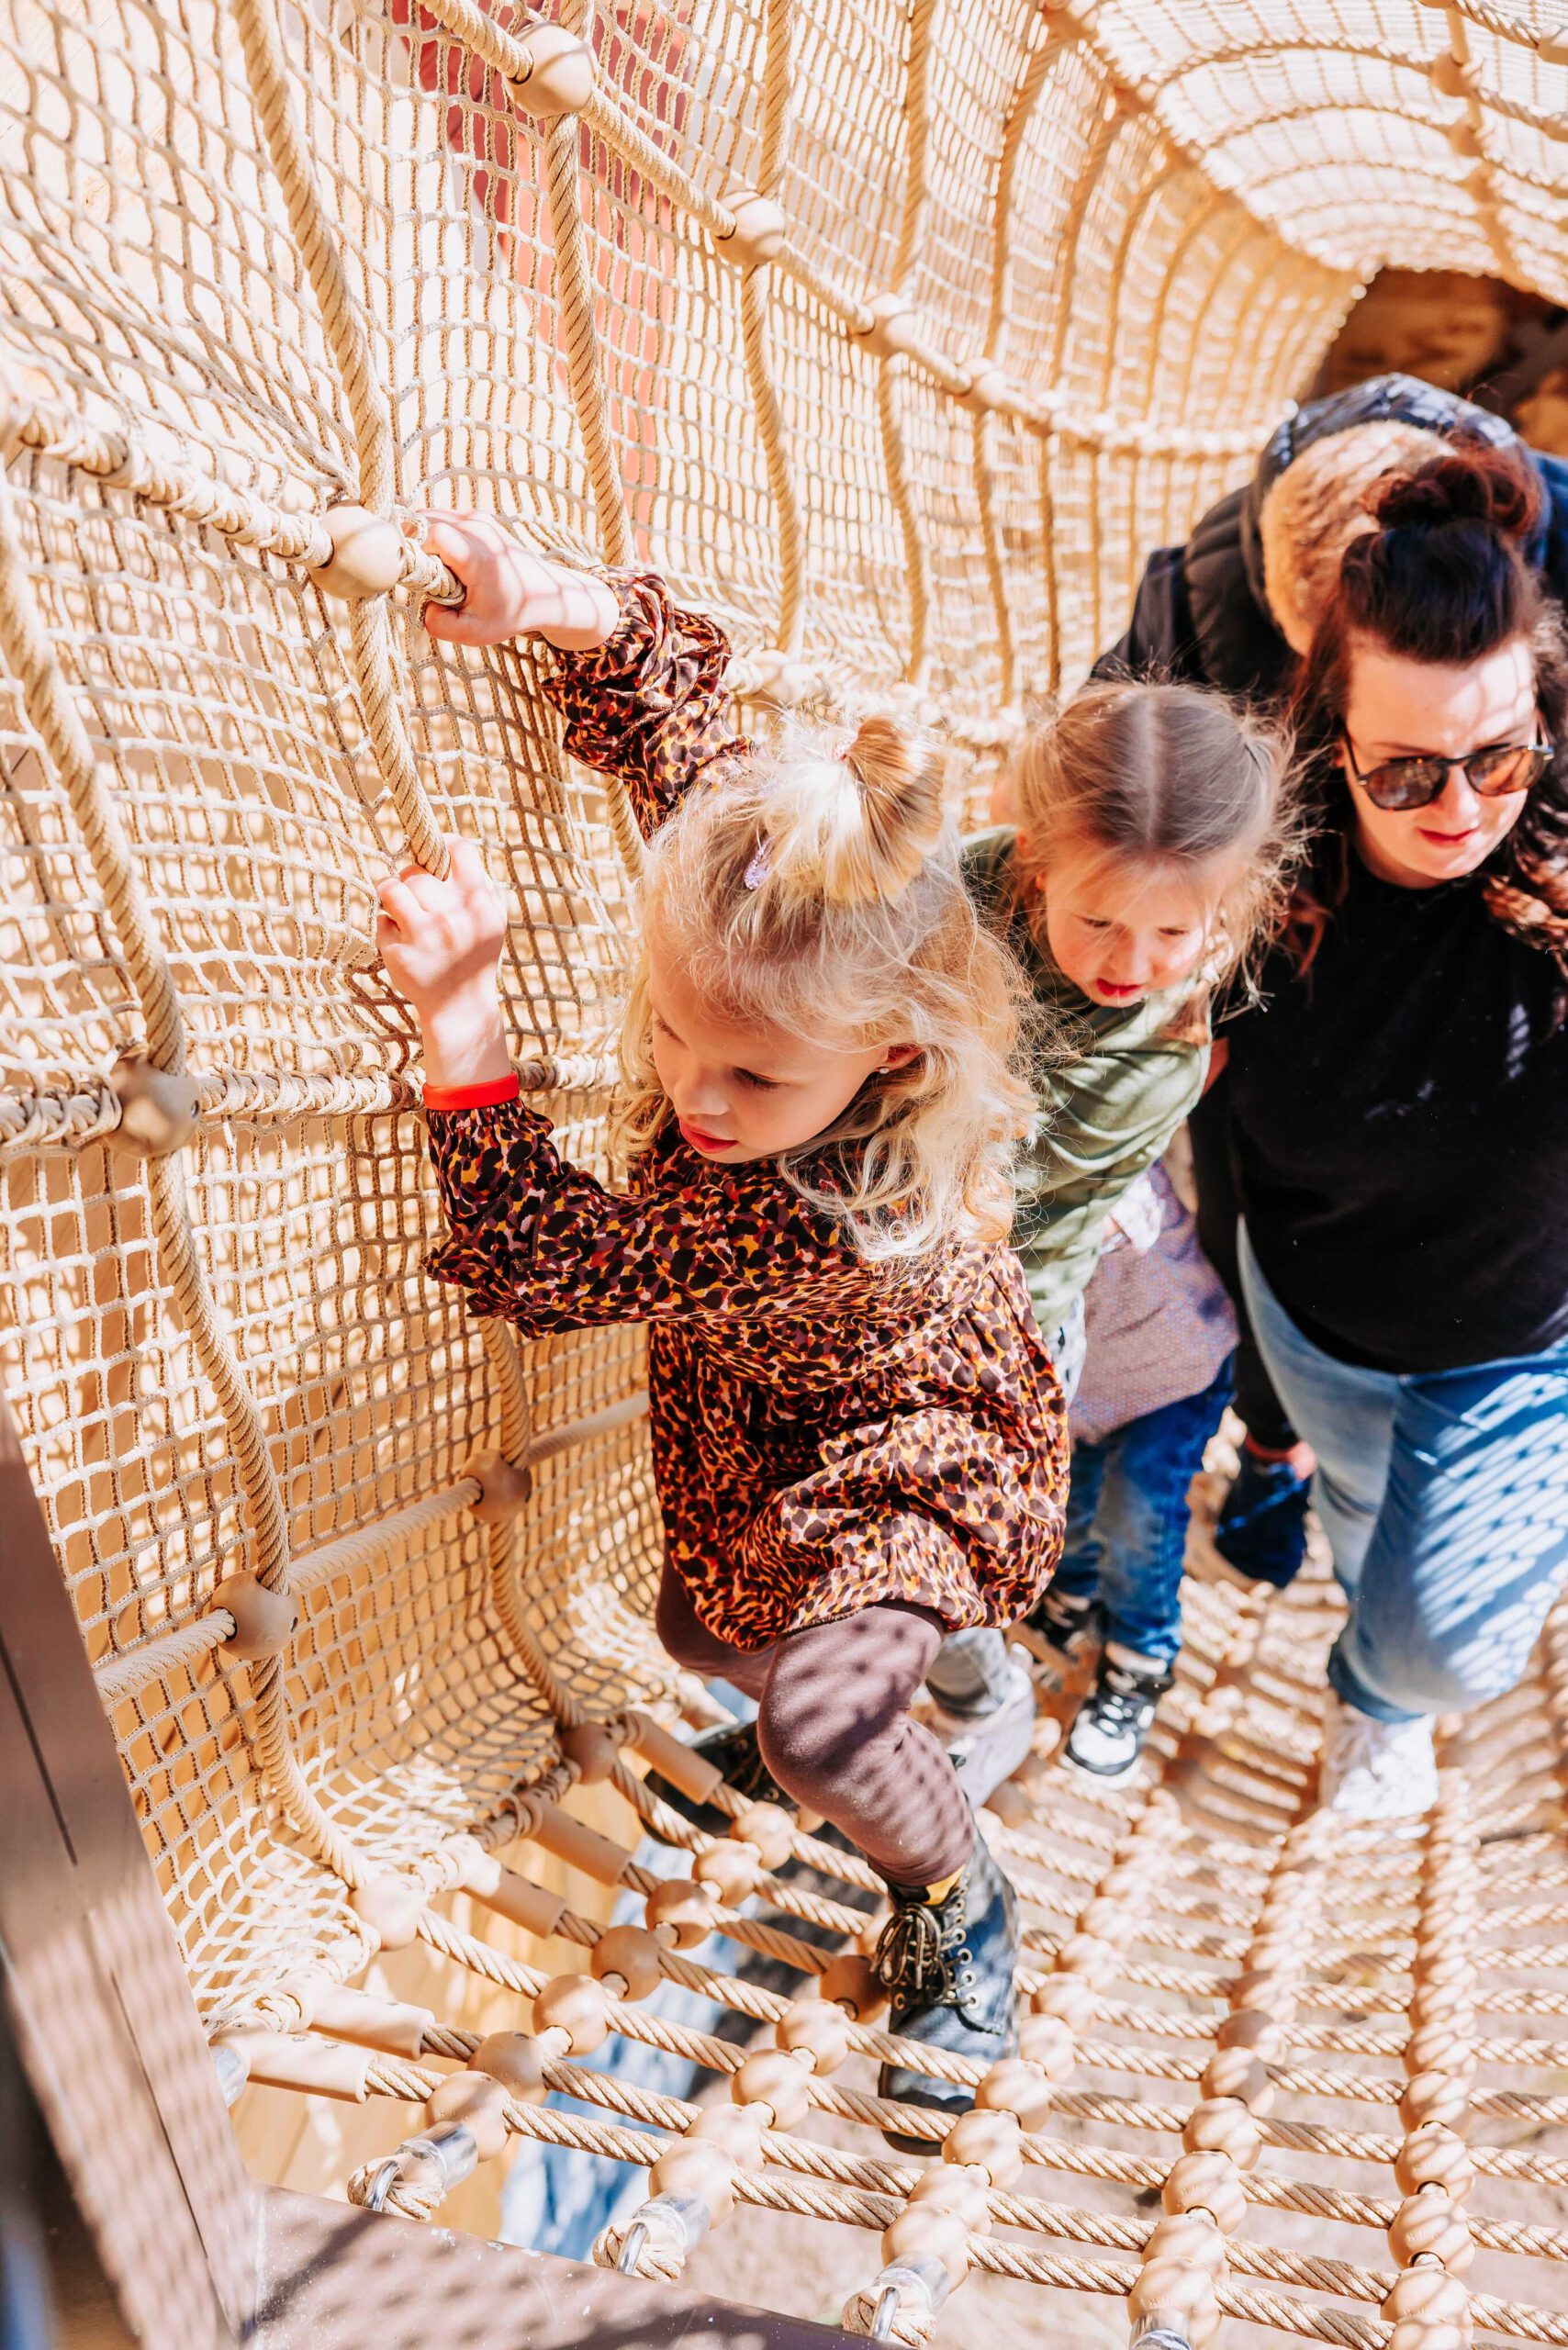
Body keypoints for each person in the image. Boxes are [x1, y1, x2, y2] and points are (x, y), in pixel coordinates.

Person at [379, 516, 1068, 2120]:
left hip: (906, 1446)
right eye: (677, 1032)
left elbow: (550, 1263)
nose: (693, 1091)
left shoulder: (793, 1207)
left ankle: (960, 1897)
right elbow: (677, 736)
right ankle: (934, 1684)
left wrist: (464, 1017)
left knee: (822, 1725)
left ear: (887, 1058)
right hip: (768, 1416)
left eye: (753, 1077)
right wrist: (550, 608)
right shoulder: (773, 887)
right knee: (708, 1635)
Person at [1101, 374, 1568, 1593]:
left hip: (1495, 1222)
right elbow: (1103, 777)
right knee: (1251, 1171)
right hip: (1279, 937)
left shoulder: (1520, 565)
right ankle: (1270, 1438)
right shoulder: (1203, 614)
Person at [1223, 441, 1568, 1818]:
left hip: (1520, 1343)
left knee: (1446, 1637)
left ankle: (1376, 1691)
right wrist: (1255, 1401)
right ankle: (1369, 1578)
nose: (1463, 808)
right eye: (1409, 773)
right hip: (1316, 1322)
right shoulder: (1253, 872)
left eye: (1498, 755)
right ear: (1332, 735)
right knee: (1366, 1521)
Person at [961, 678, 1294, 1740]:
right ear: (1033, 867)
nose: (1129, 964)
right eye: (1095, 919)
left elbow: (1034, 1240)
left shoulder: (1153, 1050)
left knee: (1081, 1506)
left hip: (1028, 1300)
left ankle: (1097, 1653)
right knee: (1074, 1505)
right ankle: (1042, 1612)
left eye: (1170, 933)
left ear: (1225, 910)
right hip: (939, 1224)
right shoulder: (963, 885)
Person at [1036, 1161, 1236, 1783]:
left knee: (1137, 1509)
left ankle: (1138, 1660)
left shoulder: (1106, 1153)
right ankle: (1074, 1591)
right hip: (1087, 1388)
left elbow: (1123, 1216)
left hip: (1176, 1373)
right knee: (1067, 1495)